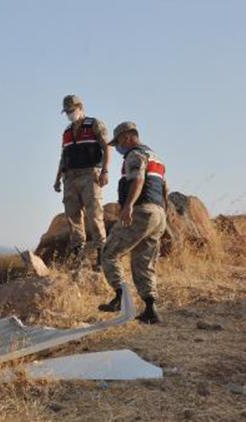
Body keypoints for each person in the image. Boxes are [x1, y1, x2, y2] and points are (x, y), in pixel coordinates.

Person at [98, 122, 168, 324]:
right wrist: (164, 213)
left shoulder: (134, 155)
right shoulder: (156, 157)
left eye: (118, 141)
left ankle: (120, 297)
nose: (118, 147)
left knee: (109, 253)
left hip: (141, 211)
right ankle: (150, 309)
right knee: (144, 261)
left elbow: (137, 179)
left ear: (128, 137)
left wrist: (128, 206)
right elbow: (164, 188)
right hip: (158, 214)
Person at [54, 95, 111, 267]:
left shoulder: (94, 124)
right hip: (70, 177)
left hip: (90, 174)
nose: (69, 114)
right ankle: (78, 255)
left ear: (80, 108)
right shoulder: (67, 132)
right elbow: (63, 156)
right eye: (67, 112)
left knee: (94, 214)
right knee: (72, 217)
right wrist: (57, 179)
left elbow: (106, 147)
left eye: (71, 110)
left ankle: (102, 256)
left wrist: (105, 171)